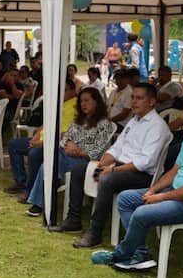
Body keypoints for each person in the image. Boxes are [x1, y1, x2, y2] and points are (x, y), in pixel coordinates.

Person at [91, 91, 183, 271]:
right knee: (125, 199)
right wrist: (154, 190)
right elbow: (175, 170)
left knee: (143, 213)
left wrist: (160, 198)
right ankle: (140, 253)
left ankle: (122, 254)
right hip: (178, 193)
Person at [70, 83, 170, 248]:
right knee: (81, 170)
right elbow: (116, 148)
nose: (134, 102)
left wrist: (113, 169)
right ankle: (73, 219)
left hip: (143, 175)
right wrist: (101, 164)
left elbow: (145, 163)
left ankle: (95, 232)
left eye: (139, 98)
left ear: (152, 102)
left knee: (106, 179)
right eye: (132, 97)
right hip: (121, 167)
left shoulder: (157, 126)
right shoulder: (134, 121)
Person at [26, 87, 114, 221]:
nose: (83, 104)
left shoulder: (104, 124)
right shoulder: (78, 121)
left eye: (86, 101)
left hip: (84, 161)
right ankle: (45, 195)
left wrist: (77, 150)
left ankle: (38, 203)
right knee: (49, 161)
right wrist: (69, 144)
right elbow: (65, 139)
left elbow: (98, 151)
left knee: (50, 163)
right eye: (81, 101)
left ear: (96, 102)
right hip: (66, 154)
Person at [5, 82, 78, 201]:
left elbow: (66, 135)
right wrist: (36, 137)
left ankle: (31, 193)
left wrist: (43, 142)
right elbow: (45, 123)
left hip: (55, 143)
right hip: (42, 139)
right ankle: (21, 182)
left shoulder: (77, 106)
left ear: (73, 90)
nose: (61, 93)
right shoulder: (59, 104)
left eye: (64, 90)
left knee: (34, 154)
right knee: (14, 145)